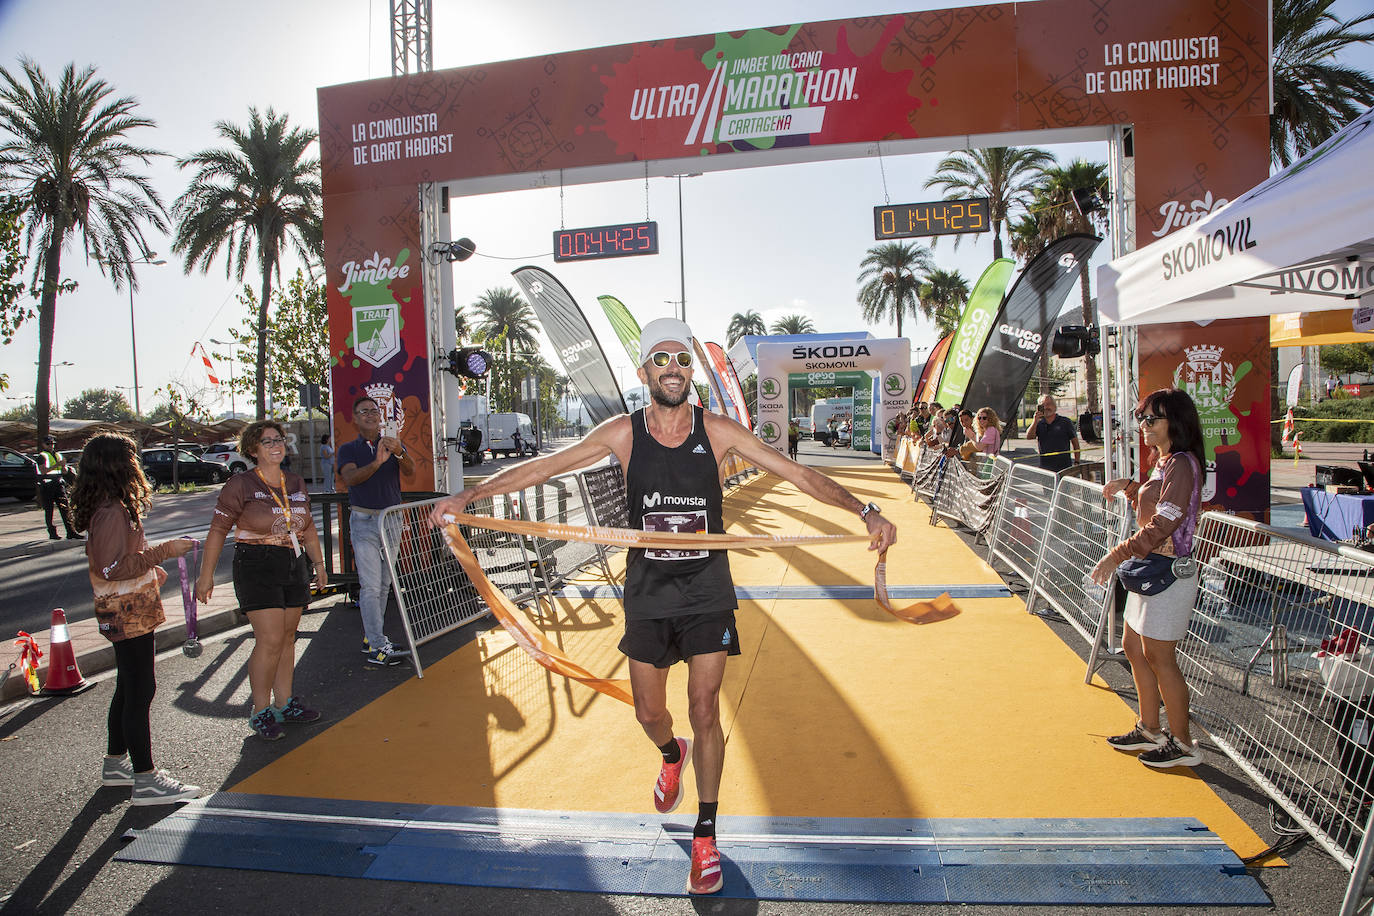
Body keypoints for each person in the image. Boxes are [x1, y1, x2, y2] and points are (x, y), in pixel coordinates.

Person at [428, 317, 897, 896]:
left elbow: (797, 473)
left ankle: (705, 836)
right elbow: (546, 466)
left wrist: (866, 509)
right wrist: (471, 493)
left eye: (681, 360)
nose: (672, 369)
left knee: (705, 708)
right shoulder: (622, 434)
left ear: (690, 371)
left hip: (706, 593)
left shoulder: (717, 430)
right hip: (648, 596)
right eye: (661, 360)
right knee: (650, 713)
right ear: (644, 369)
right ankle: (669, 753)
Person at [70, 432, 201, 805]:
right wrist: (161, 553)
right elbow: (112, 567)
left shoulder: (109, 507)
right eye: (132, 458)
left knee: (129, 686)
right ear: (117, 465)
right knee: (141, 690)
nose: (137, 465)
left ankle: (116, 765)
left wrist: (147, 570)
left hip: (127, 608)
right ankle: (145, 779)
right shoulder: (112, 512)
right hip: (127, 613)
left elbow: (118, 562)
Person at [1090, 388, 1206, 769]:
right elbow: (1153, 509)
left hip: (1169, 573)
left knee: (1160, 655)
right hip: (1151, 571)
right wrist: (1130, 488)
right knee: (1135, 647)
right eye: (1142, 418)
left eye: (1151, 419)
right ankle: (1150, 727)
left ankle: (1183, 744)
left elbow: (1164, 523)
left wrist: (1116, 554)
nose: (1143, 425)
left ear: (1175, 422)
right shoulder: (1164, 461)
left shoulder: (1182, 465)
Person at [196, 420, 327, 740]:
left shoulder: (295, 482)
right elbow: (217, 531)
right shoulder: (239, 484)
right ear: (253, 449)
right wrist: (205, 575)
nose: (275, 446)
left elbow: (306, 526)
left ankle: (284, 704)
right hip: (255, 563)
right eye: (267, 442)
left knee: (287, 638)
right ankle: (260, 710)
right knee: (269, 640)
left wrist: (319, 563)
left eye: (279, 439)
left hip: (292, 562)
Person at [337, 396, 414, 666]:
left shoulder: (392, 443)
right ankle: (377, 645)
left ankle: (374, 637)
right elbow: (350, 479)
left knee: (384, 583)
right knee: (370, 585)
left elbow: (411, 471)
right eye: (364, 412)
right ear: (355, 418)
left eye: (374, 411)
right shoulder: (348, 449)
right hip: (364, 521)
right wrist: (378, 462)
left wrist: (399, 452)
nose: (370, 415)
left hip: (391, 519)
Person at [37, 434, 80, 540]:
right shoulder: (42, 456)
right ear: (43, 445)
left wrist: (64, 468)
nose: (51, 446)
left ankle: (70, 531)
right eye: (48, 444)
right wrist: (57, 465)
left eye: (52, 444)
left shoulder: (58, 455)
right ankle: (52, 533)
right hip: (47, 484)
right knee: (49, 510)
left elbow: (63, 470)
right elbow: (43, 471)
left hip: (58, 483)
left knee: (65, 508)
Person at [1027, 395, 1081, 472]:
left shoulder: (1065, 422)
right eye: (1043, 405)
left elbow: (1075, 443)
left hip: (1064, 467)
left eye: (1048, 404)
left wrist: (1077, 462)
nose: (1046, 407)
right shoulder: (1039, 424)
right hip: (1045, 468)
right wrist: (1035, 421)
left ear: (1054, 406)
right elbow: (1029, 436)